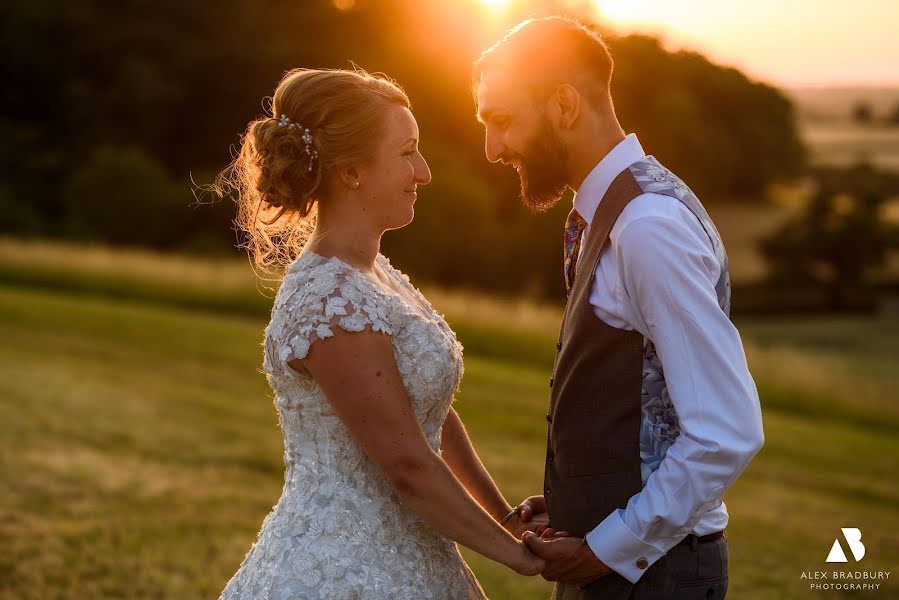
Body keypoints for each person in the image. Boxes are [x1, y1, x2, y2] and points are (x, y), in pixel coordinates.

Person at [213, 68, 546, 599]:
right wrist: (518, 558)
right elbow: (407, 465)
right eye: (407, 152)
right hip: (344, 567)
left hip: (415, 552)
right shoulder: (329, 299)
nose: (425, 171)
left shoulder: (376, 275)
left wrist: (504, 516)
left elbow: (423, 412)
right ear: (350, 172)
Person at [472, 17, 765, 599]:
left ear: (563, 105)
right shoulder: (604, 213)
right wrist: (574, 503)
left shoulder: (648, 227)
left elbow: (726, 430)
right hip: (618, 566)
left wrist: (608, 546)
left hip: (655, 579)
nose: (492, 149)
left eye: (502, 122)